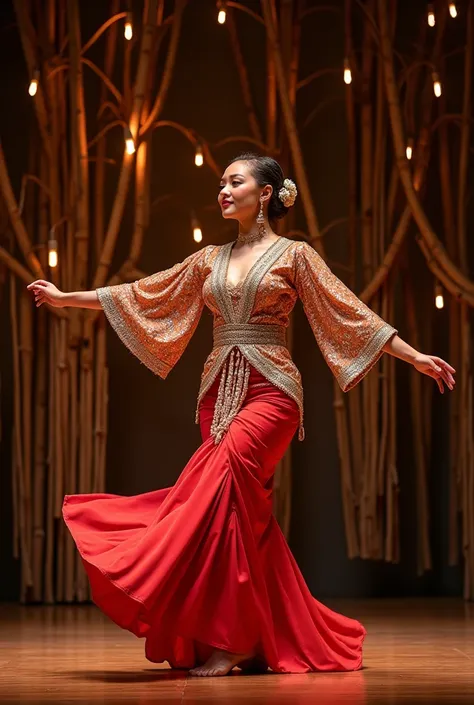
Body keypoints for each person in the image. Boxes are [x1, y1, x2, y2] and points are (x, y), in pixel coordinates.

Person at [27, 153, 456, 677]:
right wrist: (67, 297)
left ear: (267, 193)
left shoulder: (294, 256)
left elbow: (349, 311)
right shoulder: (208, 259)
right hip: (216, 396)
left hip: (272, 392)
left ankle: (231, 639)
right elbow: (145, 294)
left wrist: (413, 355)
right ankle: (261, 633)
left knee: (219, 492)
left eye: (236, 181)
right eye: (221, 184)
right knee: (242, 518)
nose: (224, 191)